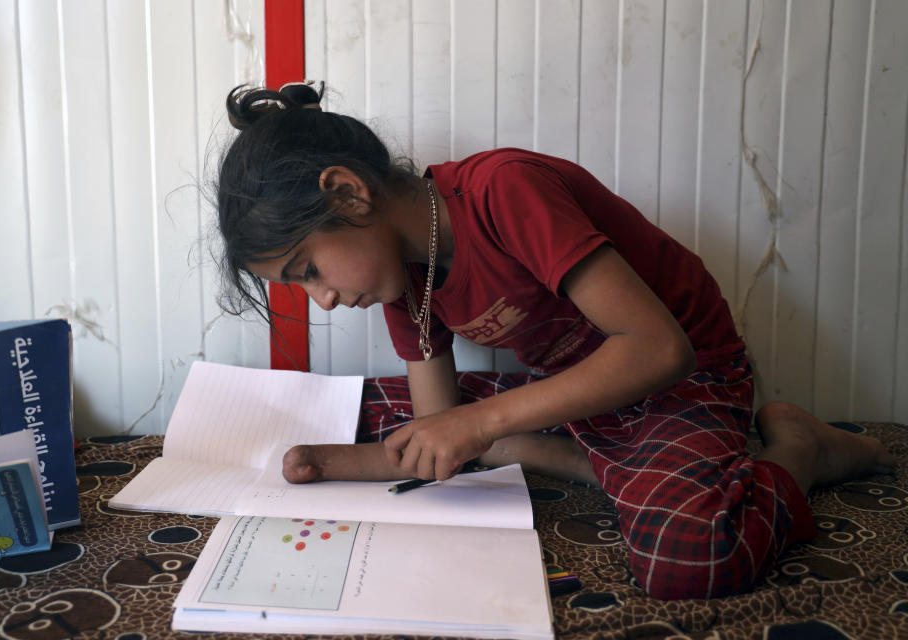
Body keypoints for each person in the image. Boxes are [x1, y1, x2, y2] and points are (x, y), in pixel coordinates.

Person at [215, 81, 894, 599]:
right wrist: (332, 464)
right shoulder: (406, 281)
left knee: (688, 557)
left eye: (309, 271)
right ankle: (580, 456)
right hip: (578, 401)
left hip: (681, 382)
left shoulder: (504, 190)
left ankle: (798, 449)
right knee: (360, 405)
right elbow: (434, 431)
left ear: (348, 194)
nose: (324, 299)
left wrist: (481, 424)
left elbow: (660, 350)